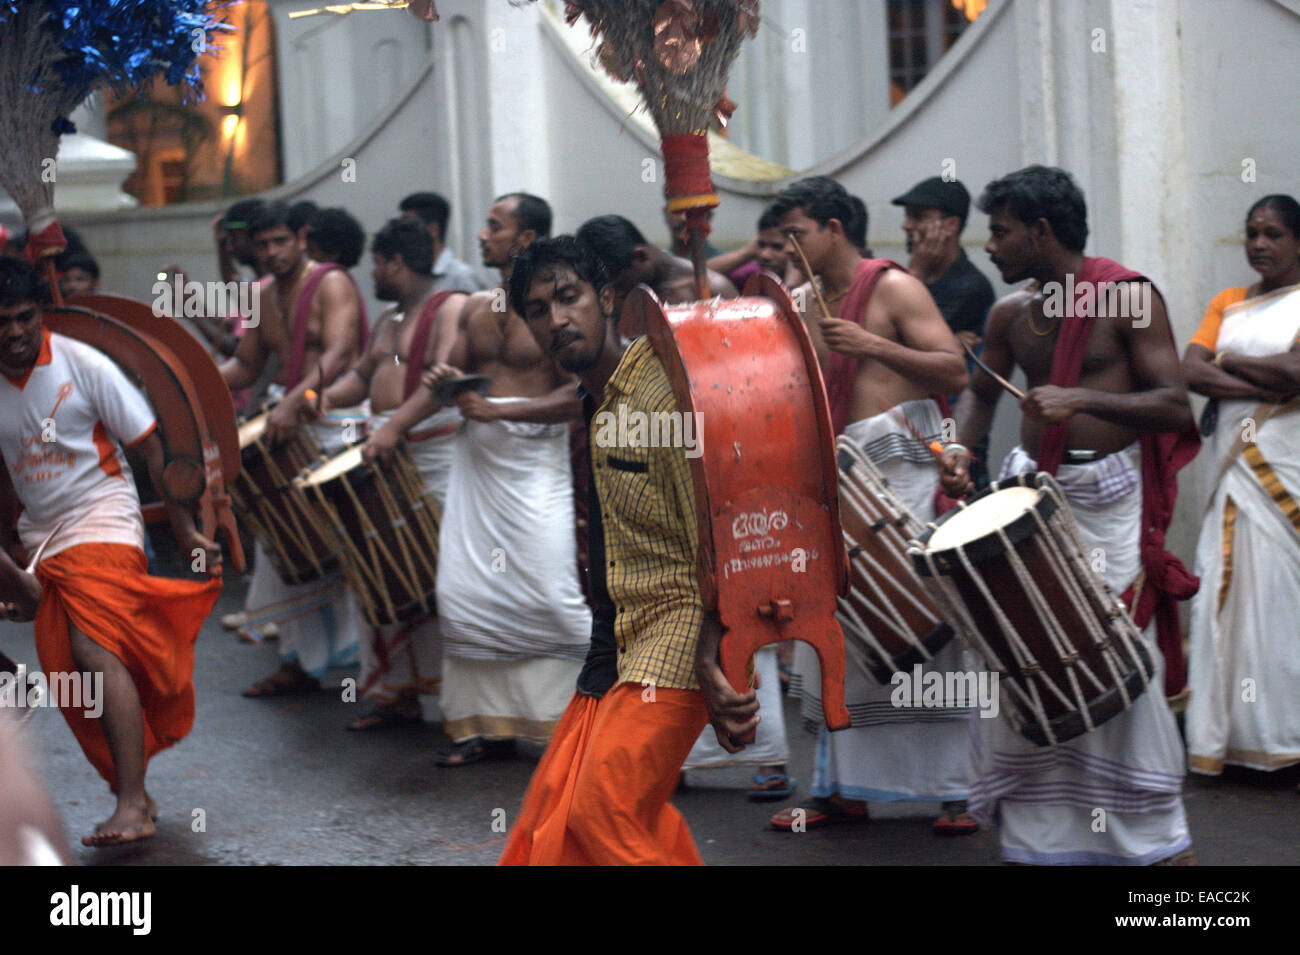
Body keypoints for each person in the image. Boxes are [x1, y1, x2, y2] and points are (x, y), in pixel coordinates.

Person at [939, 164, 1198, 865]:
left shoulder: (1129, 299)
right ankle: (1042, 843)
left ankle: (1158, 845)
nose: (987, 245)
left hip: (1108, 505)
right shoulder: (1006, 315)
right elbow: (980, 399)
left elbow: (1176, 403)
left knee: (1111, 662)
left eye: (999, 231)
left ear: (1041, 230)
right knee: (1019, 656)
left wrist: (1081, 399)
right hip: (1033, 501)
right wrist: (960, 451)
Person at [499, 235, 759, 865]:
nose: (557, 320)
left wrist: (710, 659)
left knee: (601, 811)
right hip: (618, 636)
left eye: (569, 297)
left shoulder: (662, 393)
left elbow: (721, 541)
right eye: (538, 310)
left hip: (681, 635)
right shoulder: (597, 394)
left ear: (606, 298)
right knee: (549, 825)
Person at [765, 175, 977, 836]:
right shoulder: (799, 301)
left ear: (834, 228)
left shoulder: (892, 287)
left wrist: (872, 345)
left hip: (903, 477)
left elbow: (954, 369)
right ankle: (839, 788)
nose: (786, 247)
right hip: (835, 484)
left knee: (924, 633)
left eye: (796, 233)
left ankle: (955, 793)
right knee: (841, 639)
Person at [0, 257, 222, 846]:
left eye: (25, 318)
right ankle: (135, 795)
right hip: (41, 538)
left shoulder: (84, 363)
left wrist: (185, 531)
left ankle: (129, 801)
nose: (15, 332)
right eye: (2, 322)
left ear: (39, 314)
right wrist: (10, 572)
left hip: (106, 517)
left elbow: (154, 450)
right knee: (67, 668)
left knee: (92, 647)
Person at [421, 193, 591, 766]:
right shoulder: (474, 305)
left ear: (524, 238)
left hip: (533, 465)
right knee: (463, 592)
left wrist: (502, 411)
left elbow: (581, 395)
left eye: (495, 226)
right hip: (477, 464)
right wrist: (442, 384)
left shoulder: (554, 309)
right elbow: (446, 379)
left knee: (551, 593)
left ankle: (572, 723)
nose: (482, 235)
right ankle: (482, 727)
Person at [317, 218, 468, 730]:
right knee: (379, 567)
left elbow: (443, 383)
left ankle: (459, 703)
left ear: (395, 263)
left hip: (431, 454)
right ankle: (394, 692)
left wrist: (393, 428)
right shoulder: (387, 319)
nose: (373, 273)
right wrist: (314, 401)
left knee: (440, 576)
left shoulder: (450, 309)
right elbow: (360, 378)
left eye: (377, 264)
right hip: (383, 452)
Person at [219, 200, 368, 696]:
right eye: (262, 245)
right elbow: (245, 365)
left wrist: (296, 402)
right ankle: (296, 662)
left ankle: (369, 665)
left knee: (346, 543)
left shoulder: (330, 282)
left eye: (280, 241)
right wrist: (192, 384)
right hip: (288, 423)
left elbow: (341, 353)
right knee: (286, 545)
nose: (271, 252)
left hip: (334, 420)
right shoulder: (261, 296)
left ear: (301, 237)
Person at [1182, 194, 1300, 778]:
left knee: (1281, 600)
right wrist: (1265, 375)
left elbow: (1298, 374)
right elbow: (1188, 369)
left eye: (1274, 234)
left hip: (1286, 465)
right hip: (1232, 467)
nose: (1259, 244)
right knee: (1223, 596)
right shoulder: (1227, 302)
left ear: (1299, 242)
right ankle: (1228, 737)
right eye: (1252, 233)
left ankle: (1287, 736)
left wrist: (1226, 364)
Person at [893, 176, 997, 487]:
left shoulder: (970, 286)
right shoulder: (913, 278)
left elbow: (896, 342)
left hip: (952, 437)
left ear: (950, 226)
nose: (907, 226)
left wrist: (917, 273)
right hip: (913, 431)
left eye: (918, 217)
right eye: (907, 216)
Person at [576, 214, 736, 336]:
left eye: (620, 285)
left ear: (640, 257)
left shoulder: (712, 289)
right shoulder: (621, 295)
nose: (615, 295)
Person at [399, 191, 485, 292]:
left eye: (409, 227)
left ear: (433, 229)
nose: (402, 233)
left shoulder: (462, 277)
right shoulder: (410, 274)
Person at [707, 206, 802, 291]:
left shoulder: (811, 281)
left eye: (777, 247)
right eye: (761, 245)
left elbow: (798, 309)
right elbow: (699, 276)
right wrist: (746, 253)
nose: (765, 255)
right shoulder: (754, 275)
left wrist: (792, 285)